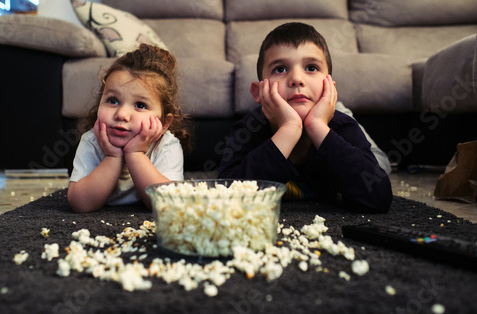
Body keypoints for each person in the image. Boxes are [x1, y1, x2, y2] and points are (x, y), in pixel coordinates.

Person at [218, 22, 392, 213]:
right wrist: (289, 129)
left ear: (331, 87)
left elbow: (378, 198)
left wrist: (317, 126)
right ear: (259, 92)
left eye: (311, 67)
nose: (297, 79)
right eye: (280, 69)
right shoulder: (248, 129)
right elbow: (227, 198)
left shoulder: (342, 127)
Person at [68, 44, 191, 213]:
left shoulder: (167, 145)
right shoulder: (93, 140)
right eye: (112, 100)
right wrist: (113, 156)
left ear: (163, 124)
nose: (122, 114)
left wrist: (136, 154)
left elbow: (168, 205)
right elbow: (80, 204)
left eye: (140, 105)